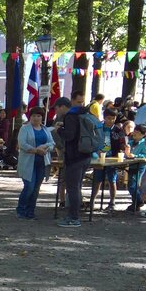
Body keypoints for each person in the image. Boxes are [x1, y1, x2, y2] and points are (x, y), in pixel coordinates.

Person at [55, 93, 96, 228]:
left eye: (57, 109)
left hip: (75, 156)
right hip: (86, 155)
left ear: (62, 106)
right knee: (77, 186)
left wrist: (60, 130)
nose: (56, 112)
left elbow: (70, 135)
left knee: (72, 188)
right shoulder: (83, 114)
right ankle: (74, 215)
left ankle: (73, 217)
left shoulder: (71, 116)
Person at [15, 106, 55, 219]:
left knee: (36, 188)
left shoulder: (45, 129)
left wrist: (46, 147)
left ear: (42, 117)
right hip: (28, 162)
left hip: (42, 162)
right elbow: (22, 144)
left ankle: (31, 211)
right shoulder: (25, 129)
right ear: (30, 117)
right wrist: (36, 150)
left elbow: (52, 143)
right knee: (29, 186)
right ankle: (21, 209)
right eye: (33, 116)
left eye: (38, 116)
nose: (36, 118)